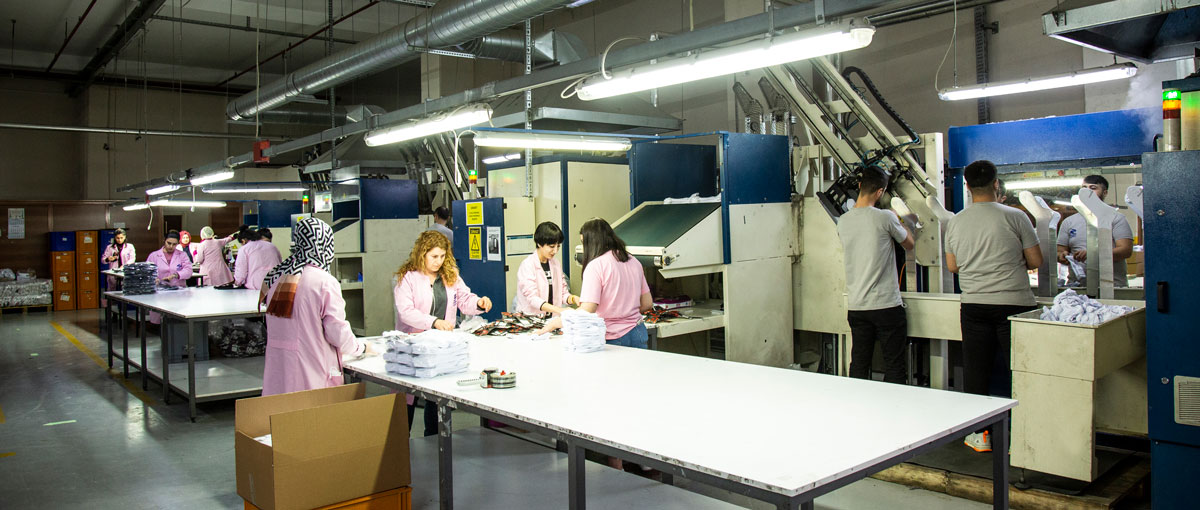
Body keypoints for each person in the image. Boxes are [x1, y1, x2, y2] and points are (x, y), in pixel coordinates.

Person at [945, 160, 1042, 453]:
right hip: (1013, 304)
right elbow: (1036, 261)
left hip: (974, 305)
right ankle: (1024, 438)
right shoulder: (1016, 216)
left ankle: (980, 434)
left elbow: (953, 266)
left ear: (967, 186)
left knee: (976, 372)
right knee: (1021, 370)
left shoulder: (956, 221)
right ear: (996, 184)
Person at [394, 230, 492, 435]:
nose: (438, 261)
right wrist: (434, 322)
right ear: (422, 254)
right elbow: (406, 312)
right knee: (407, 401)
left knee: (436, 398)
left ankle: (433, 440)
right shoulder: (408, 278)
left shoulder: (450, 275)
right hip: (413, 347)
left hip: (440, 348)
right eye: (434, 256)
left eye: (442, 256)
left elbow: (464, 299)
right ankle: (400, 443)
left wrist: (479, 303)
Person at [260, 218, 369, 396]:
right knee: (309, 413)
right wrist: (360, 348)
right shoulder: (324, 282)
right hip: (310, 373)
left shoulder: (277, 277)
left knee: (282, 412)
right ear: (326, 245)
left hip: (279, 371)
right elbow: (337, 332)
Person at [836, 167, 915, 385]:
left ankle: (858, 403)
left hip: (857, 306)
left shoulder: (843, 221)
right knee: (894, 365)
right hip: (886, 306)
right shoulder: (885, 217)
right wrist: (903, 220)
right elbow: (909, 244)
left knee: (859, 363)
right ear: (880, 192)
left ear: (860, 185)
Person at [540, 218, 653, 348]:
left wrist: (555, 323)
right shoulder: (633, 261)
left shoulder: (596, 265)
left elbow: (587, 310)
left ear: (592, 242)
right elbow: (647, 303)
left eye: (584, 243)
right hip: (638, 332)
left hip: (613, 338)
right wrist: (626, 313)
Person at [1056, 175, 1135, 287]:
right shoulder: (1069, 222)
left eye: (1093, 188)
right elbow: (1060, 250)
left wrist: (1094, 254)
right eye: (1084, 188)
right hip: (1078, 287)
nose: (1087, 192)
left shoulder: (1116, 218)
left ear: (1105, 193)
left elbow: (1125, 250)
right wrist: (1062, 256)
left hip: (1112, 287)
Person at [515, 222, 578, 315]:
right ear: (539, 244)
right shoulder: (527, 265)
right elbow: (532, 298)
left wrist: (573, 298)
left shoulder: (556, 264)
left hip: (552, 318)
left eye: (558, 246)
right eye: (551, 247)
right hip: (532, 318)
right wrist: (559, 310)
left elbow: (563, 293)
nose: (555, 251)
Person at [145, 230, 194, 324]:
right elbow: (147, 272)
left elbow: (188, 271)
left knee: (176, 321)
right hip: (159, 293)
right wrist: (153, 279)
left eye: (174, 244)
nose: (171, 246)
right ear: (164, 241)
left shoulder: (182, 255)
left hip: (178, 293)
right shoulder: (154, 256)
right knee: (160, 321)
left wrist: (177, 275)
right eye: (169, 243)